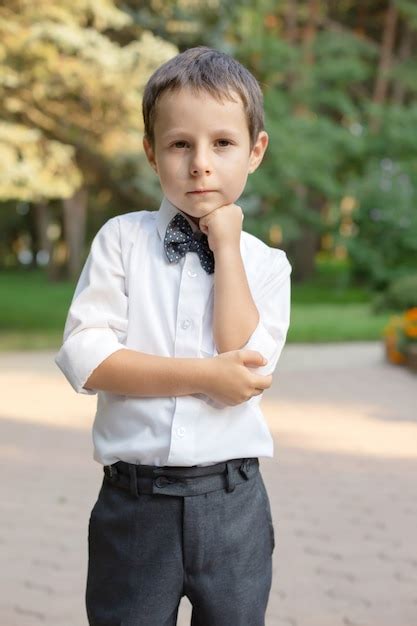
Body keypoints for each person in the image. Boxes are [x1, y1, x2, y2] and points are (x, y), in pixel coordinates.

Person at [55, 45, 292, 626]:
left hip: (233, 504)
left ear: (255, 151)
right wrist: (202, 376)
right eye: (180, 143)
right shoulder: (121, 240)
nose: (200, 164)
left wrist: (228, 245)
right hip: (135, 506)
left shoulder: (266, 264)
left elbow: (246, 365)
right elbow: (87, 357)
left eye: (222, 143)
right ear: (151, 152)